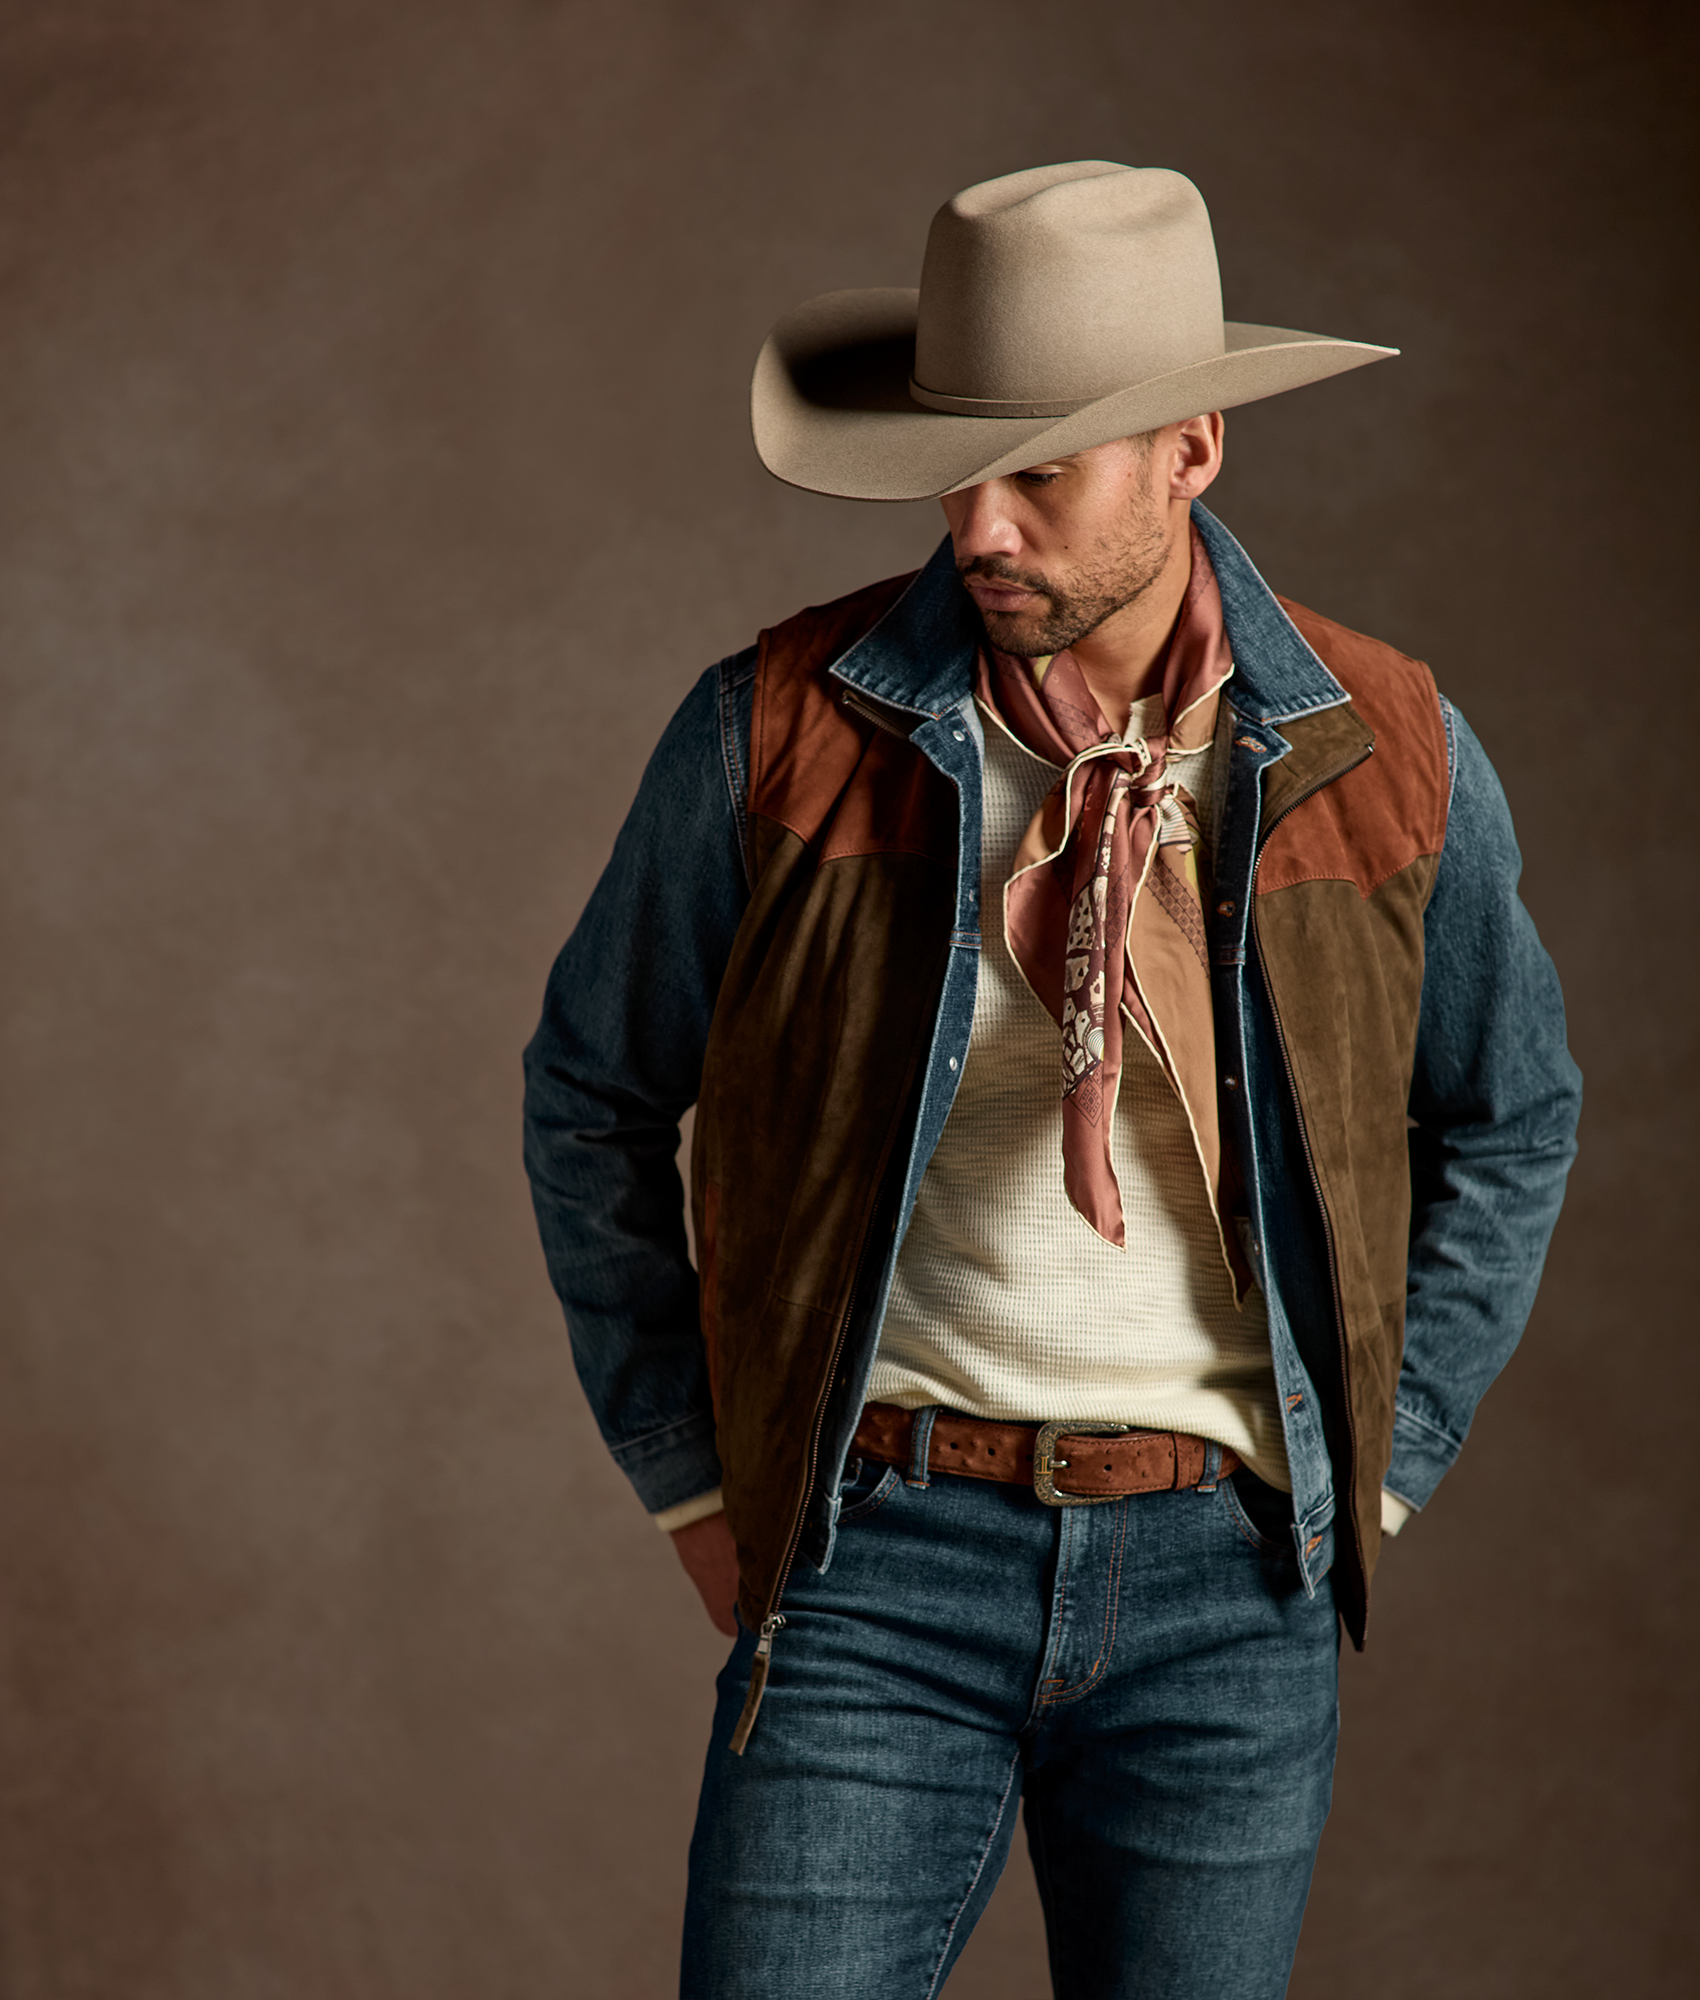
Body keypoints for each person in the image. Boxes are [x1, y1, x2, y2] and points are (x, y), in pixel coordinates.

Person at [522, 162, 1581, 1998]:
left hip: (1225, 1586)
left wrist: (1384, 1466)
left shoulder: (1380, 746)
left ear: (1193, 449)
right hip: (875, 1561)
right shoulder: (780, 730)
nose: (981, 527)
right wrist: (695, 1483)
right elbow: (590, 1095)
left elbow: (1513, 1111)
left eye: (1042, 472)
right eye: (958, 470)